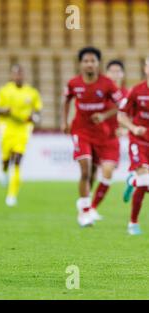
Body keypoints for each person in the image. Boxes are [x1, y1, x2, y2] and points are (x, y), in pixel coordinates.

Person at [62, 47, 124, 227]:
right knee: (85, 169)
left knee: (93, 174)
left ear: (98, 64)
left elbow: (122, 104)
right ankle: (85, 209)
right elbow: (66, 101)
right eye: (86, 61)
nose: (89, 64)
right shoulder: (73, 83)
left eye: (93, 61)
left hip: (100, 134)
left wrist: (104, 116)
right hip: (80, 131)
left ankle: (85, 205)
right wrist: (64, 122)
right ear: (81, 64)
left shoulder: (107, 84)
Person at [0, 64, 42, 207]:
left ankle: (11, 195)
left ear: (24, 75)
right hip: (6, 128)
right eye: (15, 74)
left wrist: (34, 117)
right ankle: (4, 172)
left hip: (23, 129)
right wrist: (2, 110)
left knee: (17, 160)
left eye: (20, 73)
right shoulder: (4, 91)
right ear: (11, 76)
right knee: (6, 160)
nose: (18, 76)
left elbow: (37, 111)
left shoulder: (32, 92)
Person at [88, 60, 129, 218]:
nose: (115, 74)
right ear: (106, 73)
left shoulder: (127, 94)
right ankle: (85, 203)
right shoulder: (100, 91)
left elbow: (132, 116)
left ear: (123, 74)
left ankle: (92, 208)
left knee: (108, 171)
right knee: (90, 173)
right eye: (112, 71)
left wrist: (125, 129)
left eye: (118, 71)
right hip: (94, 136)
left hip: (111, 140)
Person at [117, 56, 149, 235]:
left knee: (144, 184)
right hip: (139, 141)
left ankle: (132, 180)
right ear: (146, 69)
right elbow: (121, 115)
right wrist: (133, 128)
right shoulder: (136, 90)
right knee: (145, 180)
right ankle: (133, 223)